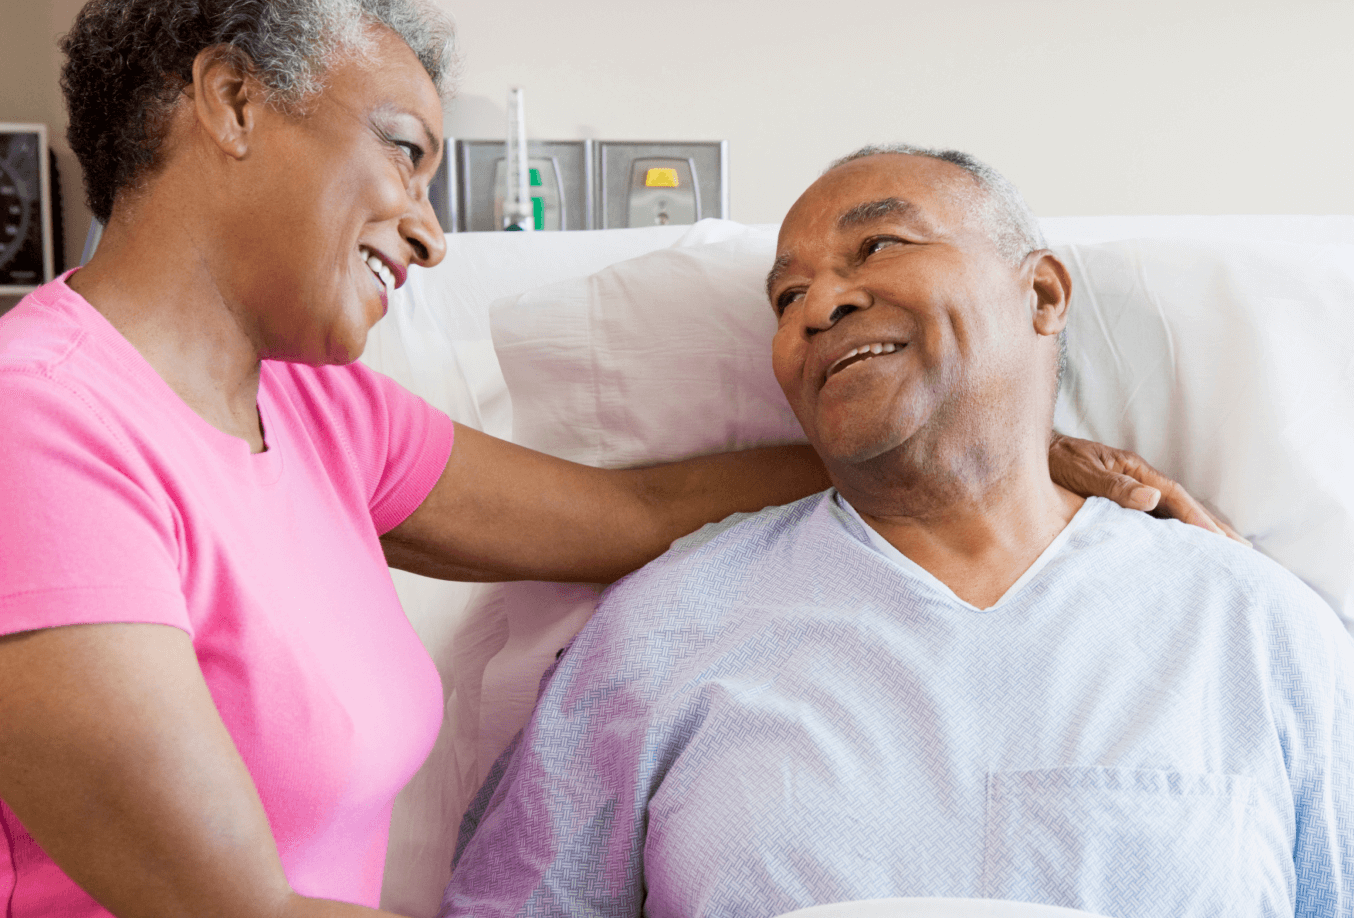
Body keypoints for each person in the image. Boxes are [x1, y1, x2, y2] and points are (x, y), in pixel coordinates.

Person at [0, 0, 1228, 914]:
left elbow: (635, 509)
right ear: (231, 101)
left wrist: (975, 446)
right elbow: (227, 912)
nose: (432, 235)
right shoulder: (38, 423)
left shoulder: (327, 417)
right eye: (406, 153)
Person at [440, 146, 1354, 918]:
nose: (817, 306)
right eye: (786, 296)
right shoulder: (659, 632)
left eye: (877, 245)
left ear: (1041, 293)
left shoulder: (1257, 628)